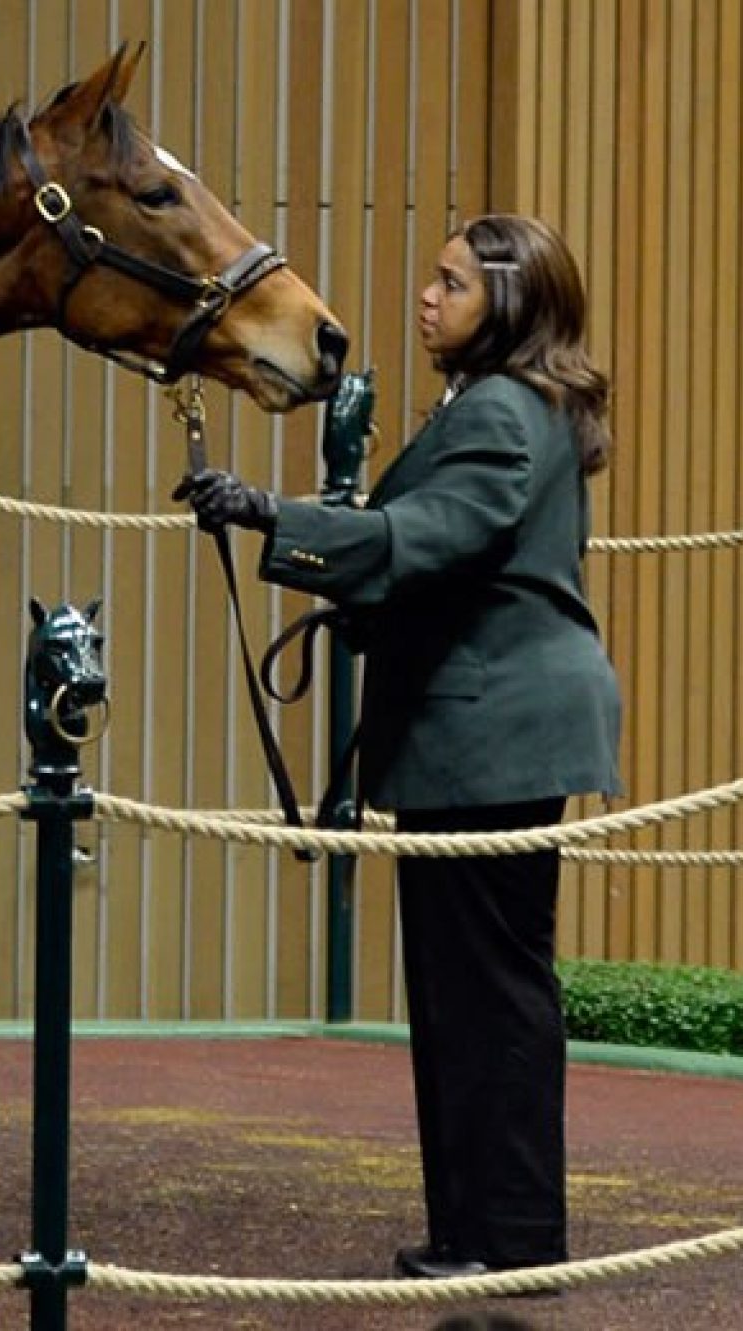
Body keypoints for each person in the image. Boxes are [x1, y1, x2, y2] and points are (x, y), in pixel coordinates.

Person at [174, 214, 622, 1278]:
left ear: (507, 302)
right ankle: (481, 1230)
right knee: (471, 987)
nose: (427, 296)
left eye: (452, 282)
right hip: (490, 723)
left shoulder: (501, 413)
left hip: (492, 728)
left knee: (487, 992)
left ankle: (507, 1239)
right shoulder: (510, 404)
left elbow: (429, 539)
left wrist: (267, 516)